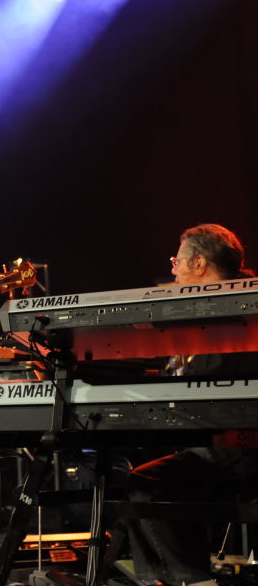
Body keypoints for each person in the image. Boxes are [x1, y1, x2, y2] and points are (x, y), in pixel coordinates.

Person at [125, 224, 258, 585]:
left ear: (199, 263)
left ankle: (192, 580)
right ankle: (173, 573)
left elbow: (209, 385)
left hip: (237, 446)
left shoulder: (233, 311)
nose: (173, 269)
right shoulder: (226, 305)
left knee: (144, 482)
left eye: (177, 260)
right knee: (135, 469)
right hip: (219, 440)